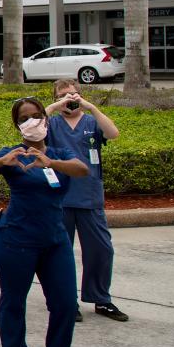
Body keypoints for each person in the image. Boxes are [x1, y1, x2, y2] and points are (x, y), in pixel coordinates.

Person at [0, 98, 89, 347]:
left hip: (54, 239)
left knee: (64, 303)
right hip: (15, 239)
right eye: (25, 118)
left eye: (37, 115)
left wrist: (51, 162)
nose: (33, 121)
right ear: (18, 125)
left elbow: (81, 169)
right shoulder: (13, 154)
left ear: (46, 119)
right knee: (13, 302)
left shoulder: (59, 153)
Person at [45, 80, 128, 323]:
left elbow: (113, 134)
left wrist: (92, 108)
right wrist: (55, 106)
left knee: (102, 249)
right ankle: (66, 301)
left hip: (90, 196)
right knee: (60, 253)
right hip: (60, 197)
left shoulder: (92, 122)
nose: (71, 98)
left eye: (75, 93)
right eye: (64, 95)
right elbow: (31, 127)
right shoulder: (53, 123)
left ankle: (101, 298)